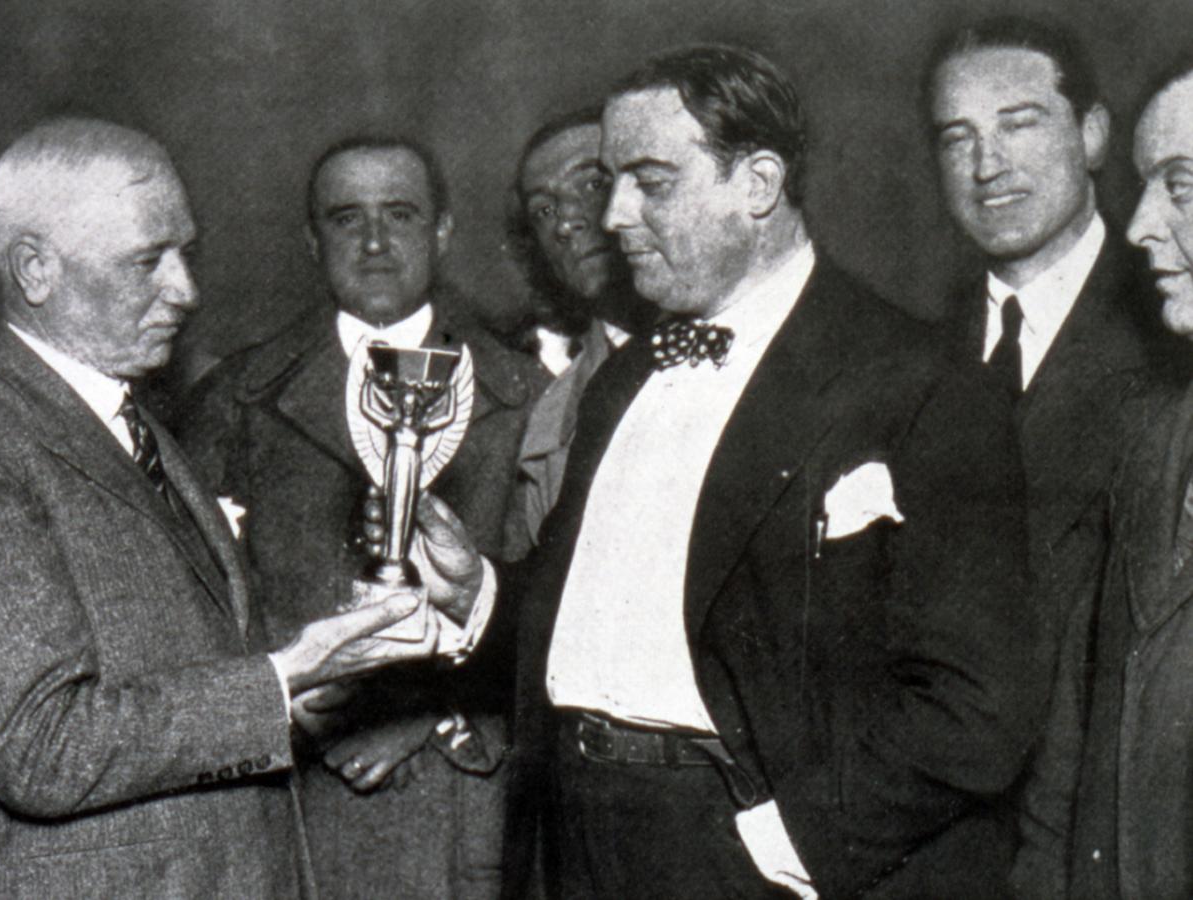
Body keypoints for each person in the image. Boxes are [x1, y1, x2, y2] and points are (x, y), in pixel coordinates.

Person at [429, 44, 1045, 898]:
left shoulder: (919, 382)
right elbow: (597, 622)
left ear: (757, 184)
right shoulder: (624, 378)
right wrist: (480, 597)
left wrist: (786, 843)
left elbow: (979, 706)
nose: (612, 216)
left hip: (757, 852)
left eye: (651, 181)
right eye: (612, 181)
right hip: (578, 836)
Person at [0, 118, 457, 899]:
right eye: (147, 261)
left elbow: (172, 670)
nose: (185, 291)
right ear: (36, 269)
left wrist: (306, 699)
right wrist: (280, 681)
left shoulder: (126, 417)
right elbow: (38, 748)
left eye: (186, 252)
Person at [176, 135, 540, 900]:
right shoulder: (232, 401)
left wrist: (432, 709)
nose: (375, 242)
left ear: (442, 231)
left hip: (462, 802)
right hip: (295, 807)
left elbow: (558, 620)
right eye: (347, 220)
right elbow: (194, 624)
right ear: (312, 241)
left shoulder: (531, 398)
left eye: (400, 215)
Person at [926, 16, 1182, 642]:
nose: (988, 165)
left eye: (1019, 123)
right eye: (959, 138)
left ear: (1092, 134)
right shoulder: (909, 354)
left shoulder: (1173, 331)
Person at [1012, 62, 1193, 899]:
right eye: (1144, 186)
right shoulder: (1152, 434)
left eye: (1180, 187)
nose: (1141, 225)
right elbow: (1070, 754)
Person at [502, 107, 655, 556]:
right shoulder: (552, 416)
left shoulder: (739, 346)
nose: (566, 223)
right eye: (544, 210)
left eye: (592, 185)